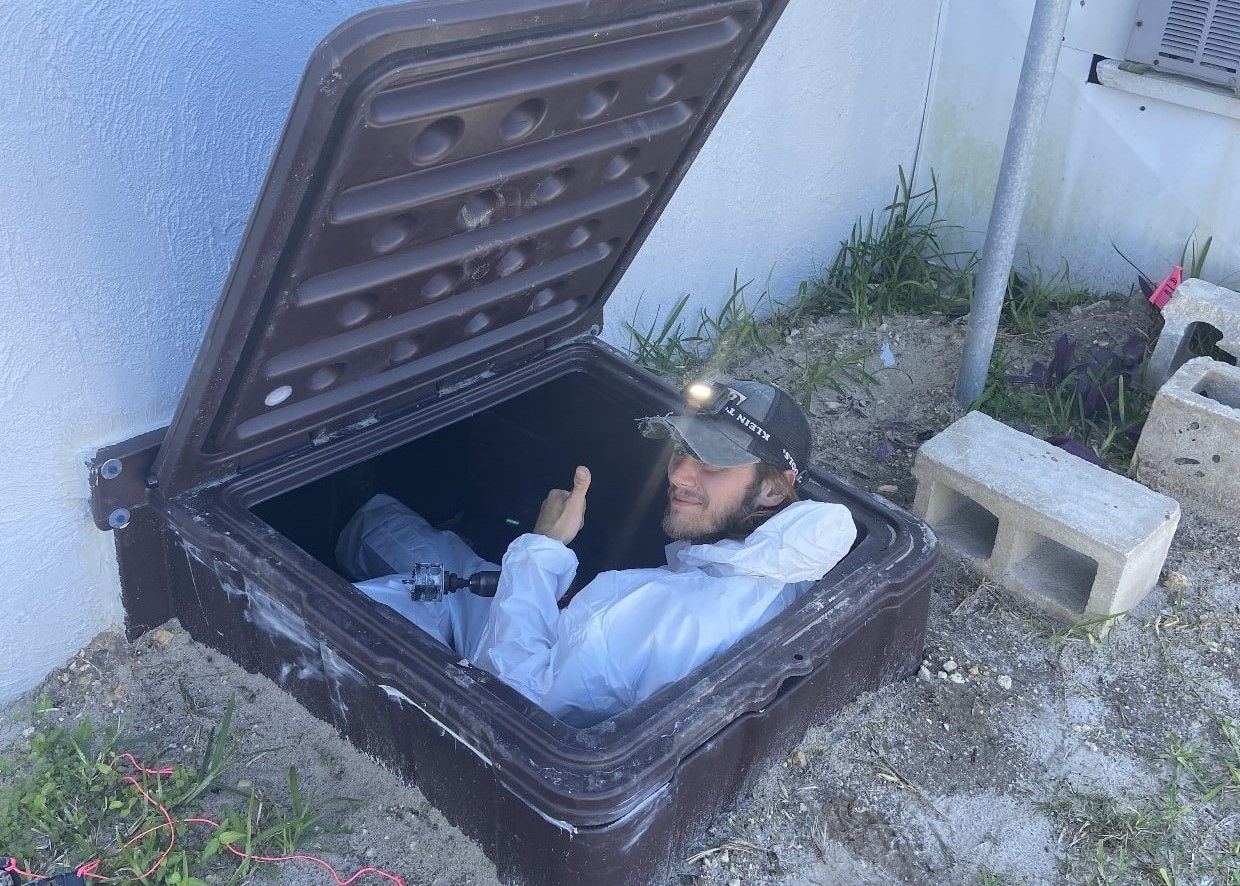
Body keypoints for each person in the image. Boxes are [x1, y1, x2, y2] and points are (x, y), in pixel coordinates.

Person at [335, 378, 856, 725]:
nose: (678, 474)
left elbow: (515, 696)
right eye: (681, 450)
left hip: (520, 681)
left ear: (773, 488)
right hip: (582, 668)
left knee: (427, 588)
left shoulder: (645, 614)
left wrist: (543, 545)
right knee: (460, 563)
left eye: (712, 463)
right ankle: (367, 516)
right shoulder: (795, 555)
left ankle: (343, 519)